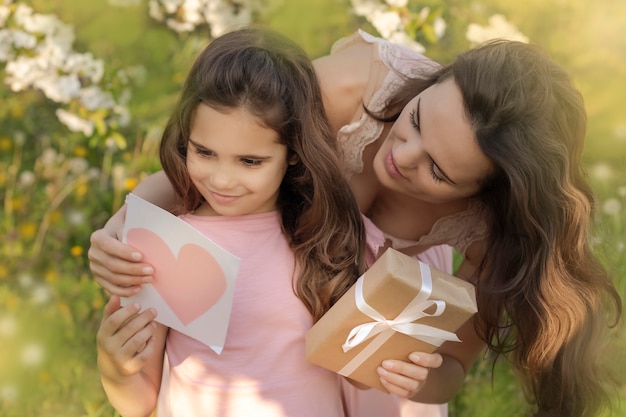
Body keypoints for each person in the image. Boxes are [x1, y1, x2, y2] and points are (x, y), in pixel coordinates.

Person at [90, 29, 623, 417]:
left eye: (436, 170)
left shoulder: (490, 229)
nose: (402, 157)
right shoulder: (361, 83)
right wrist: (126, 224)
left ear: (483, 193)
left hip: (372, 306)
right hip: (282, 258)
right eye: (414, 121)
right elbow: (229, 141)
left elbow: (451, 369)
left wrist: (419, 378)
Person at [95, 27, 368, 417]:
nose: (222, 180)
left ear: (293, 152)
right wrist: (115, 367)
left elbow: (358, 368)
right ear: (185, 136)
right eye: (204, 152)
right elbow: (139, 403)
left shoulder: (321, 232)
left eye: (250, 161)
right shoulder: (163, 243)